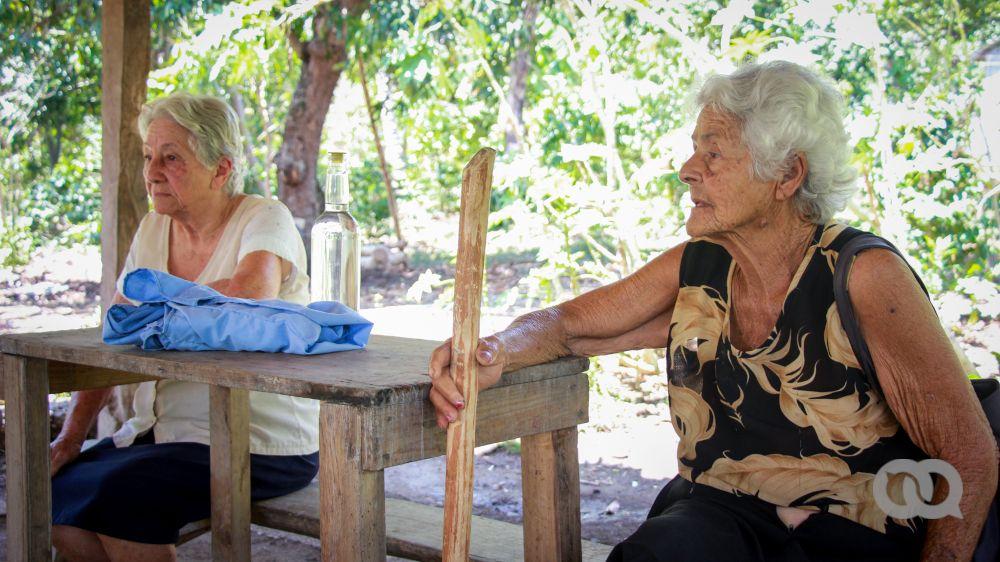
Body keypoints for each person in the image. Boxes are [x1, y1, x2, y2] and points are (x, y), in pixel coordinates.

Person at [428, 61, 998, 561]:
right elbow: (569, 327)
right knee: (668, 547)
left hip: (848, 537)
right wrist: (493, 351)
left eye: (714, 152)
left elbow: (970, 454)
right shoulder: (702, 264)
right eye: (695, 147)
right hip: (719, 522)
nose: (687, 168)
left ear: (786, 174)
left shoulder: (863, 275)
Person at [49, 93, 319, 561]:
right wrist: (71, 437)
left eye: (171, 158)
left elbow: (248, 296)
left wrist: (150, 307)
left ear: (220, 169)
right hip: (166, 433)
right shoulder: (154, 230)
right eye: (149, 157)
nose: (152, 172)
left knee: (123, 498)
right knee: (58, 494)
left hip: (261, 441)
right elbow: (116, 332)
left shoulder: (263, 217)